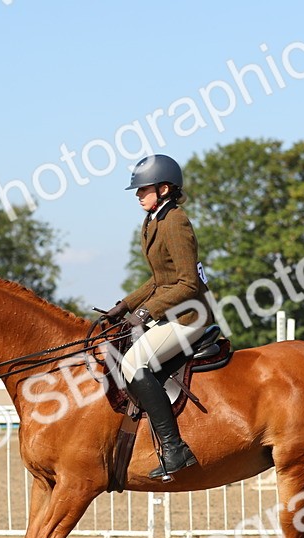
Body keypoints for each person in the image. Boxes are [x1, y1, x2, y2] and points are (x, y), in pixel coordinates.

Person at [104, 153, 215, 480]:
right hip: (170, 309)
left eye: (143, 189)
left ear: (164, 188)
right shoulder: (154, 220)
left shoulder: (175, 221)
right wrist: (124, 306)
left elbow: (186, 283)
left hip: (190, 315)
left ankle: (174, 447)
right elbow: (158, 278)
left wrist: (145, 312)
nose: (138, 195)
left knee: (131, 364)